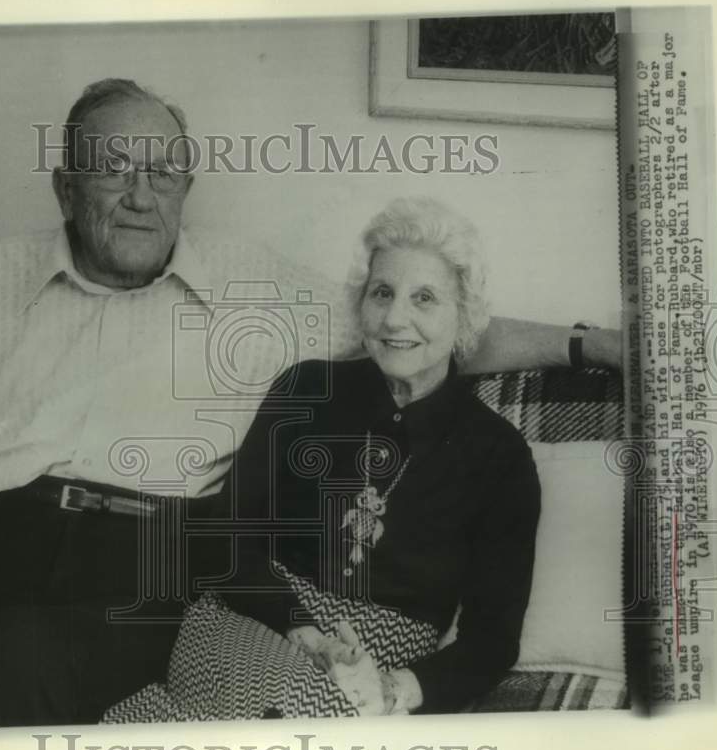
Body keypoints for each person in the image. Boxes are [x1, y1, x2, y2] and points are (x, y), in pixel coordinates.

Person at [0, 78, 616, 731]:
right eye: (116, 169)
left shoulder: (253, 286)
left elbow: (422, 325)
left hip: (139, 571)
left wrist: (589, 346)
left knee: (17, 659)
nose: (141, 195)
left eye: (163, 172)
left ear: (187, 185)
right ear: (65, 188)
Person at [106, 196, 540, 721]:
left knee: (303, 723)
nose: (395, 317)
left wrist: (396, 688)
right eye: (382, 292)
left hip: (381, 657)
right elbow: (227, 536)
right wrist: (302, 627)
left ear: (465, 314)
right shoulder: (307, 389)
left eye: (424, 298)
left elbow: (493, 639)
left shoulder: (499, 455)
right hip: (256, 618)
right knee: (286, 714)